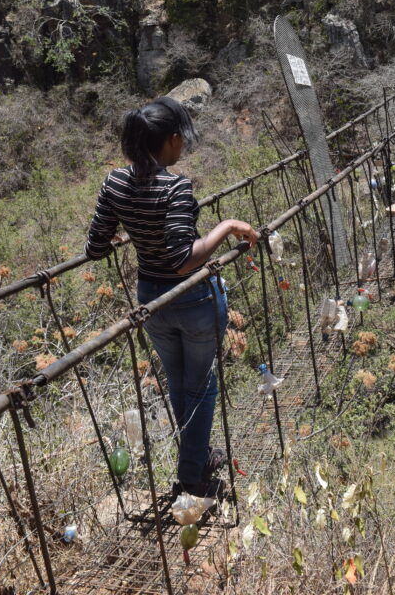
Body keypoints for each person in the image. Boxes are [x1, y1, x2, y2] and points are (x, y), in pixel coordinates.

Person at [84, 96, 258, 498]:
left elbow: (95, 247)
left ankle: (197, 456)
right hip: (191, 299)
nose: (182, 146)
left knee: (179, 384)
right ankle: (192, 477)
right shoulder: (176, 187)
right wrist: (227, 225)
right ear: (170, 140)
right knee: (201, 386)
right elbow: (184, 259)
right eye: (180, 139)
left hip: (152, 303)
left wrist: (131, 230)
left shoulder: (114, 182)